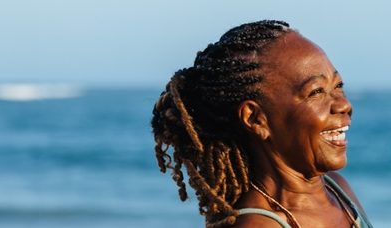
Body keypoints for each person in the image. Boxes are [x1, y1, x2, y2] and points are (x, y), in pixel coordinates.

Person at [151, 20, 372, 228]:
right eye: (316, 92)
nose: (344, 104)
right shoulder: (258, 224)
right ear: (256, 119)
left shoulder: (338, 190)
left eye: (338, 85)